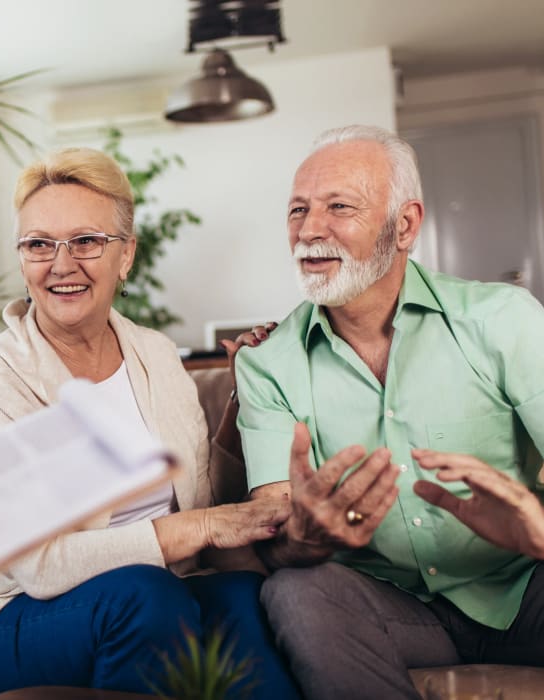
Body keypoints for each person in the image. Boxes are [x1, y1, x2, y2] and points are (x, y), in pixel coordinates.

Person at [0, 148, 300, 698]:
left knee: (240, 594)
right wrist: (200, 530)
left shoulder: (154, 354)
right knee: (145, 596)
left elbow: (203, 498)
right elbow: (38, 568)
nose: (61, 264)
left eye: (85, 241)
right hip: (12, 615)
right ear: (22, 259)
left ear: (125, 255)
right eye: (39, 244)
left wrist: (241, 395)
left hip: (163, 592)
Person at [235, 124, 544, 699]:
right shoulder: (267, 365)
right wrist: (305, 538)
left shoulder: (502, 319)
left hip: (526, 586)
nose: (309, 230)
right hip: (395, 608)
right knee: (296, 591)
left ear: (404, 225)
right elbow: (275, 533)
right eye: (297, 210)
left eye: (339, 207)